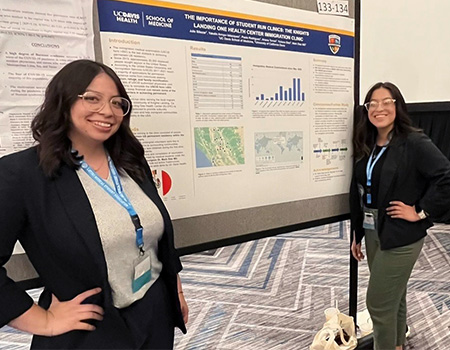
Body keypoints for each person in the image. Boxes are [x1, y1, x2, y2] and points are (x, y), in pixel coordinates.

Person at [0, 59, 188, 349]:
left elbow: (156, 238)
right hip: (90, 327)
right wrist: (43, 321)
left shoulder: (130, 161)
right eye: (92, 98)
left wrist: (175, 293)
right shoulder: (22, 174)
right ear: (63, 101)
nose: (107, 111)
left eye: (117, 102)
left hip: (153, 312)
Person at [350, 82, 450, 350]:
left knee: (378, 304)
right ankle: (396, 345)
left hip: (401, 234)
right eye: (373, 103)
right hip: (372, 230)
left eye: (386, 101)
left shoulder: (413, 142)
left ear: (398, 105)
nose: (379, 108)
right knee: (395, 296)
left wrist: (420, 212)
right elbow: (361, 191)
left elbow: (446, 177)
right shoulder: (368, 142)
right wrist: (358, 234)